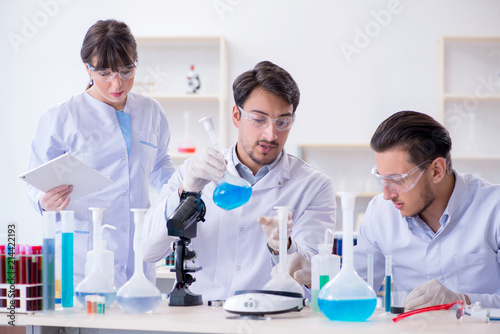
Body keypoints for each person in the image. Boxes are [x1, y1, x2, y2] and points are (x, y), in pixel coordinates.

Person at [143, 61, 336, 300]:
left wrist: (283, 246)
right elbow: (148, 250)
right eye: (259, 119)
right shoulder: (194, 172)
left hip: (274, 320)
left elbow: (317, 275)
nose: (271, 134)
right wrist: (187, 190)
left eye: (283, 122)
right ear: (237, 115)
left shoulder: (313, 186)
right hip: (203, 321)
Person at [27, 19, 176, 288]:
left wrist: (182, 191)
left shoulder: (151, 111)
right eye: (105, 73)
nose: (117, 83)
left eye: (126, 71)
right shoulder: (61, 118)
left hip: (137, 254)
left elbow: (161, 164)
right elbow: (35, 181)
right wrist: (43, 201)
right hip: (82, 257)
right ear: (87, 68)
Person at [353, 110, 500, 309]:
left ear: (436, 170)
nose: (387, 195)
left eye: (397, 180)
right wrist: (317, 277)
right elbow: (356, 290)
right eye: (382, 179)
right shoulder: (380, 212)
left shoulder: (494, 208)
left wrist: (463, 301)